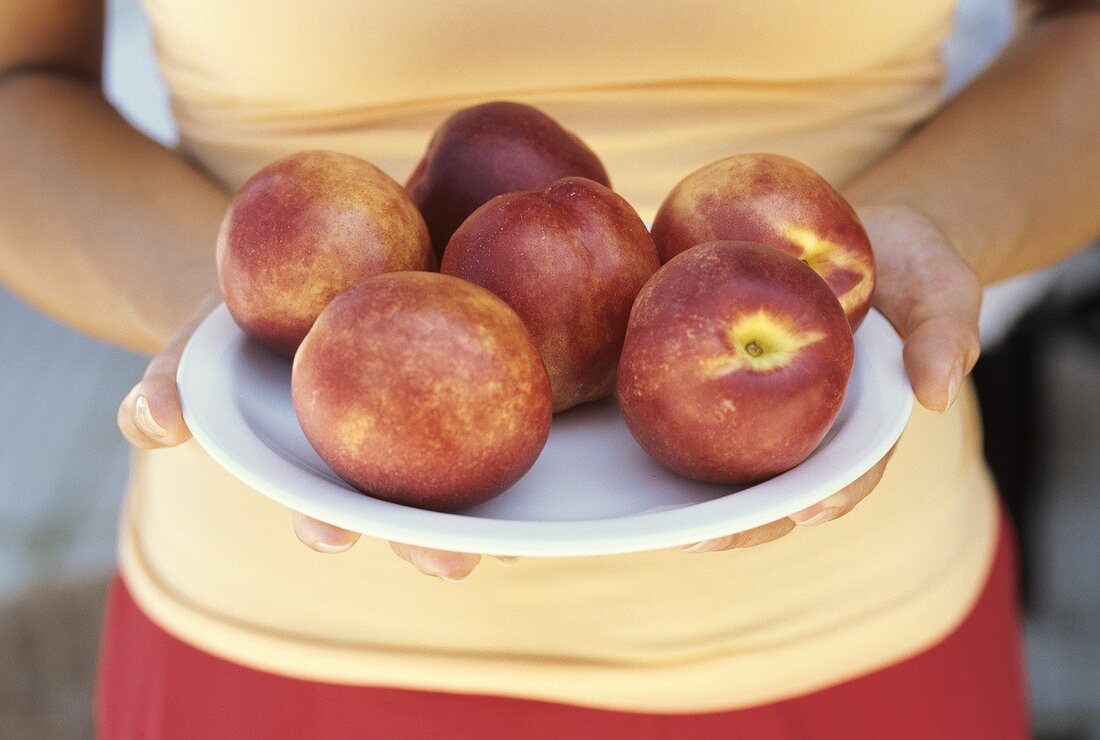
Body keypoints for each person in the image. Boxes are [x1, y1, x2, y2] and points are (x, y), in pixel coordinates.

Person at [2, 0, 1097, 736]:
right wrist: (219, 305)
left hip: (855, 627)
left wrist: (931, 224)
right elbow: (19, 81)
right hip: (281, 641)